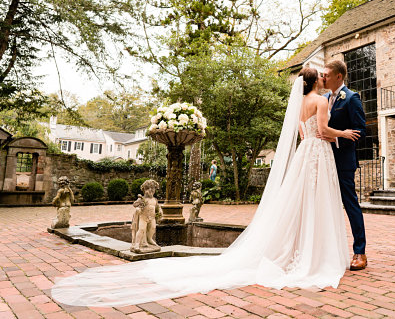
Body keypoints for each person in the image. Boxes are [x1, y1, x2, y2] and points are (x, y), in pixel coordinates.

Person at [51, 69, 361, 307]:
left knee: (299, 203)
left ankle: (299, 249)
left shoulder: (300, 105)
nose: (323, 79)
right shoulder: (321, 100)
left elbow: (303, 132)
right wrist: (342, 134)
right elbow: (320, 130)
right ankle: (312, 253)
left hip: (305, 154)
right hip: (319, 153)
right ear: (315, 82)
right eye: (320, 76)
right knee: (316, 203)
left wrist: (316, 138)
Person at [320, 60, 368, 270]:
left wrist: (337, 139)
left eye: (327, 75)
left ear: (338, 76)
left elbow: (361, 131)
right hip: (322, 160)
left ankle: (360, 252)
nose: (323, 78)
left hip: (343, 162)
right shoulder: (322, 99)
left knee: (350, 205)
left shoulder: (351, 98)